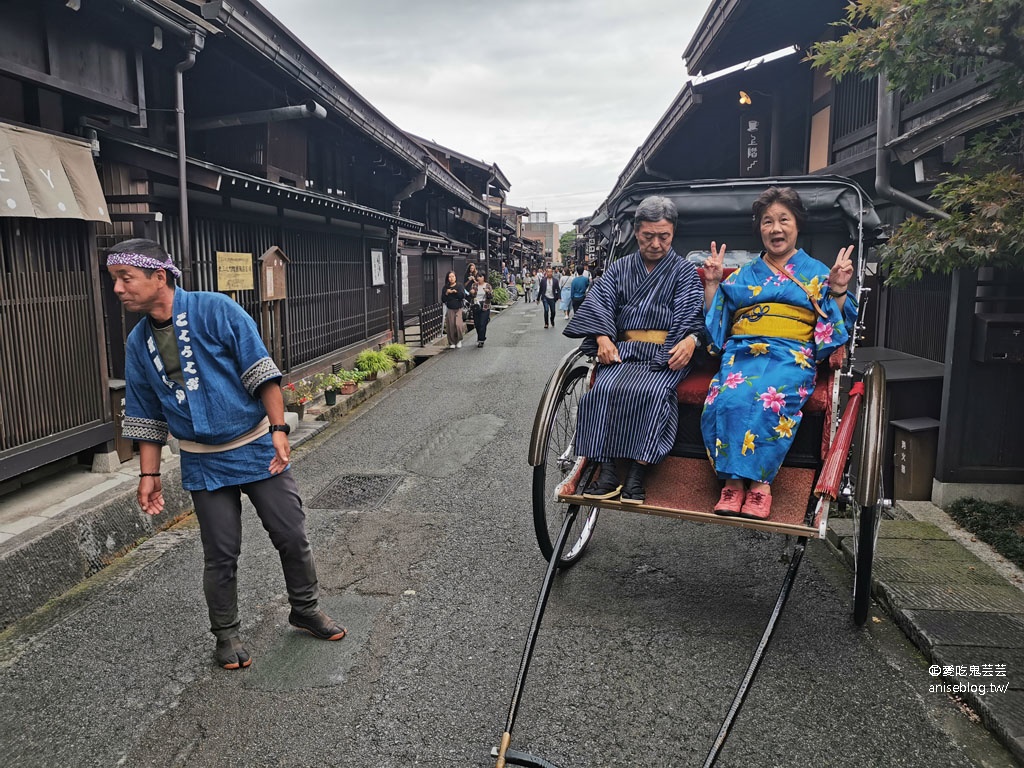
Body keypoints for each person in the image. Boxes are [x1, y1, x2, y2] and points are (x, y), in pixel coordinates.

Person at [105, 238, 346, 671]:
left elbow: (260, 370)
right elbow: (144, 412)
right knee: (220, 552)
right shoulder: (138, 343)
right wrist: (149, 474)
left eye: (126, 278)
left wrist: (278, 429)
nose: (119, 289)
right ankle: (226, 633)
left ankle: (305, 608)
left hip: (255, 443)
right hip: (201, 457)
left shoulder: (216, 309)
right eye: (115, 281)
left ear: (159, 276)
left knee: (291, 534)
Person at [701, 186, 856, 520]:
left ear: (797, 224)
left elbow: (836, 319)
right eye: (768, 221)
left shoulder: (817, 273)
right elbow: (719, 322)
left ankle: (759, 485)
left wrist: (839, 288)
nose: (775, 228)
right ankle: (731, 483)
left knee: (770, 396)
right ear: (760, 228)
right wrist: (713, 284)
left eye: (783, 220)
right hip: (743, 352)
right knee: (726, 397)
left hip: (791, 354)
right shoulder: (743, 274)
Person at [563, 196, 705, 503]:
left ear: (673, 234)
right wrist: (602, 336)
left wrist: (688, 340)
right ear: (637, 232)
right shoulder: (619, 269)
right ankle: (609, 468)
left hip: (665, 354)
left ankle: (638, 473)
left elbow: (692, 315)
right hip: (624, 349)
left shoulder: (684, 272)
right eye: (648, 236)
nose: (655, 243)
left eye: (663, 237)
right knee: (602, 390)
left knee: (651, 393)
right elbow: (600, 302)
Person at [441, 270, 465, 349]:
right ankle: (451, 342)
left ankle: (458, 340)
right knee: (450, 326)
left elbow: (462, 296)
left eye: (453, 276)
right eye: (449, 277)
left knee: (458, 325)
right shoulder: (445, 287)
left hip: (458, 308)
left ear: (455, 277)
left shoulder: (459, 286)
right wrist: (447, 293)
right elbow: (443, 299)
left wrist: (455, 292)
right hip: (450, 308)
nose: (451, 278)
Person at [468, 273, 493, 347]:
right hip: (476, 305)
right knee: (477, 324)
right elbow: (471, 296)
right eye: (478, 277)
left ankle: (481, 340)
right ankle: (481, 336)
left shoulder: (488, 285)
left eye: (480, 277)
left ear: (484, 278)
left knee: (482, 323)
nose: (479, 278)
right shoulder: (474, 285)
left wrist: (488, 292)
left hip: (485, 306)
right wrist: (471, 293)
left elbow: (491, 296)